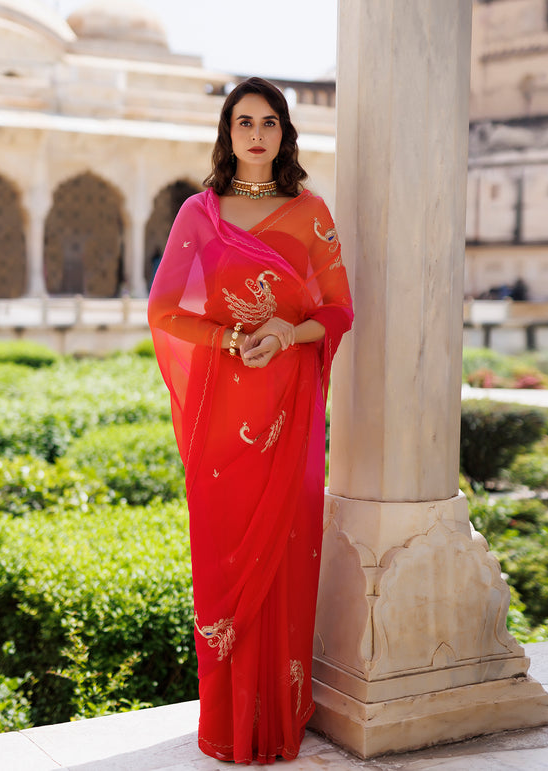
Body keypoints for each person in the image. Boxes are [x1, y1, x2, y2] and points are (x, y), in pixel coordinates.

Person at [148, 77, 353, 765]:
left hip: (288, 410)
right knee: (224, 557)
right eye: (244, 121)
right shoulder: (199, 215)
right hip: (222, 411)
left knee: (286, 551)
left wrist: (287, 333)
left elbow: (339, 309)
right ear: (227, 132)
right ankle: (228, 723)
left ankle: (278, 718)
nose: (257, 133)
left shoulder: (311, 211)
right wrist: (234, 339)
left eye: (269, 121)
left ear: (285, 132)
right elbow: (166, 311)